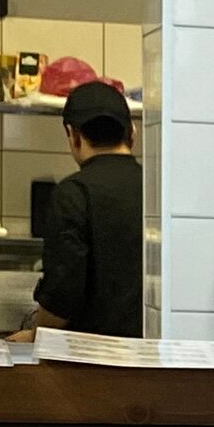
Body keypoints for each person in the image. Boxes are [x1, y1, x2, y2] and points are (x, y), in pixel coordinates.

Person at [25, 80, 146, 338]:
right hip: (149, 353)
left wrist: (35, 334)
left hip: (87, 355)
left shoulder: (73, 194)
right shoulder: (157, 191)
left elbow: (63, 294)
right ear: (132, 133)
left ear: (73, 136)